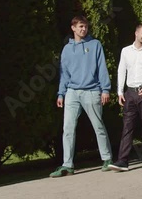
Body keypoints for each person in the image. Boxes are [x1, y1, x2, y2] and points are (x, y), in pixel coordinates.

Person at [50, 16, 112, 178]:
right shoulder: (67, 49)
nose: (83, 29)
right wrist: (61, 93)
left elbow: (102, 68)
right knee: (68, 129)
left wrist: (105, 89)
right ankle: (67, 165)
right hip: (71, 93)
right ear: (73, 28)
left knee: (98, 126)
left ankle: (107, 159)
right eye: (80, 27)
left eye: (85, 27)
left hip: (92, 91)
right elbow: (63, 74)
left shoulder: (95, 45)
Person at [108, 24, 142, 171]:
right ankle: (122, 161)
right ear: (136, 33)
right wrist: (119, 92)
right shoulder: (125, 51)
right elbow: (121, 70)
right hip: (130, 93)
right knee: (127, 127)